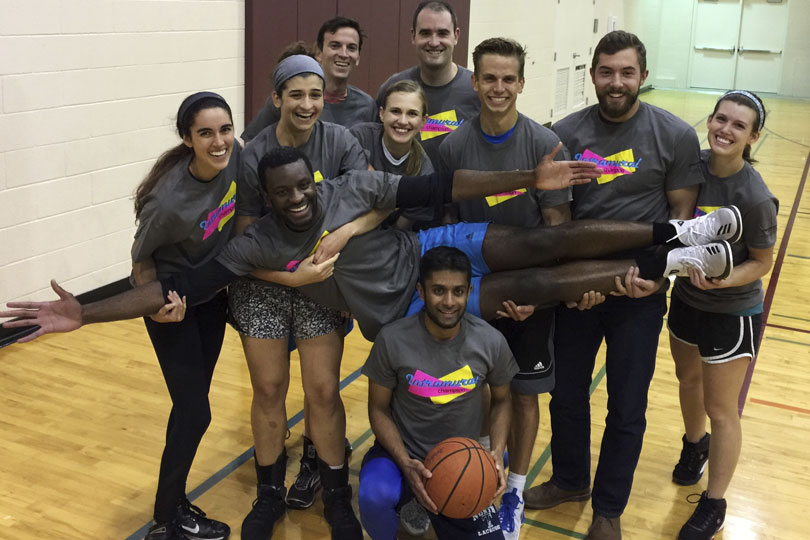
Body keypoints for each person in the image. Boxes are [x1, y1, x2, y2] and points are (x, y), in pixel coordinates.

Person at [2, 146, 741, 346]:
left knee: (545, 241)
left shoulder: (352, 185)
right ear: (269, 197)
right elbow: (174, 290)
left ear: (314, 182)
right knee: (542, 288)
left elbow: (444, 186)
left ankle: (681, 230)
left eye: (304, 188)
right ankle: (675, 263)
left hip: (438, 246)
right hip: (410, 309)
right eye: (285, 192)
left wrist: (530, 174)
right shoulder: (254, 242)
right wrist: (85, 315)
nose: (298, 198)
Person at [522, 30, 704, 540]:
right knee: (566, 396)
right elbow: (556, 215)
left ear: (643, 76)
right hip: (579, 287)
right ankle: (571, 480)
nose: (616, 82)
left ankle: (609, 507)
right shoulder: (565, 131)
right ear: (593, 74)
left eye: (626, 73)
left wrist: (656, 277)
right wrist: (572, 279)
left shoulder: (675, 136)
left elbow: (681, 220)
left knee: (627, 404)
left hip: (639, 295)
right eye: (606, 72)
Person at [437, 37, 578, 540]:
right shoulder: (453, 146)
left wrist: (535, 295)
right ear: (473, 82)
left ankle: (514, 488)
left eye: (508, 79)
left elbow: (558, 230)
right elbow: (450, 227)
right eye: (489, 78)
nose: (498, 88)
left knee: (522, 395)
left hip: (530, 296)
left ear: (521, 83)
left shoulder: (544, 144)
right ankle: (480, 482)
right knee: (474, 391)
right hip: (476, 295)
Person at [232, 53, 370, 540]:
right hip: (267, 282)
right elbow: (246, 240)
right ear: (277, 99)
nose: (307, 103)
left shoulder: (343, 141)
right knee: (268, 389)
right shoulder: (254, 155)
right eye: (296, 94)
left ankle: (336, 496)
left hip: (325, 284)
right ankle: (267, 494)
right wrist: (290, 277)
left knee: (323, 391)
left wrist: (344, 252)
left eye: (315, 94)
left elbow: (372, 205)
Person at [127, 92, 240, 540]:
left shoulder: (236, 158)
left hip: (209, 297)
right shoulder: (168, 202)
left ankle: (172, 506)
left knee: (189, 405)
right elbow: (140, 264)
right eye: (206, 133)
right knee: (195, 412)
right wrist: (157, 310)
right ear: (187, 139)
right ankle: (166, 518)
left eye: (225, 130)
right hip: (172, 304)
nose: (219, 142)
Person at [667, 90, 776, 540]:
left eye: (737, 125)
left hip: (731, 311)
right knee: (687, 381)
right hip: (687, 303)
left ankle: (715, 504)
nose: (724, 130)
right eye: (720, 119)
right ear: (710, 120)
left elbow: (762, 261)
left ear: (753, 137)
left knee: (721, 408)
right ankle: (695, 446)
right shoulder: (691, 167)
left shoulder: (754, 196)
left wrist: (723, 281)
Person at [358, 246, 515, 539]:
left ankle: (424, 507)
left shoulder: (491, 342)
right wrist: (404, 462)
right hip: (402, 456)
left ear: (469, 291)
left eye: (458, 291)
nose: (448, 301)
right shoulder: (392, 340)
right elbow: (378, 410)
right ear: (421, 291)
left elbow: (503, 401)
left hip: (460, 463)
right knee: (373, 496)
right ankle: (409, 503)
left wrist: (494, 451)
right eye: (438, 290)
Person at [376, 1, 480, 166]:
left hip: (459, 190)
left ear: (456, 36)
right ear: (413, 36)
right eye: (425, 33)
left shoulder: (477, 90)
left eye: (442, 33)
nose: (433, 42)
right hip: (406, 190)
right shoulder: (393, 88)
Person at [242, 16, 376, 141]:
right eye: (335, 46)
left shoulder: (367, 106)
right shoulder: (287, 100)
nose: (344, 54)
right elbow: (250, 144)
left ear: (358, 57)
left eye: (351, 48)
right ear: (318, 52)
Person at [351, 80, 437, 233]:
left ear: (423, 121)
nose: (403, 121)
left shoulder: (424, 173)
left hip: (387, 239)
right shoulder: (359, 138)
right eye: (395, 111)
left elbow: (398, 230)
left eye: (412, 113)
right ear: (382, 114)